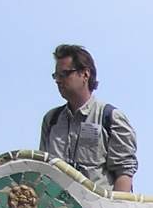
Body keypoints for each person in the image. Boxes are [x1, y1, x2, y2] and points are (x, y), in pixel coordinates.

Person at [39, 44, 137, 191]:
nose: (58, 81)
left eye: (64, 74)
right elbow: (43, 168)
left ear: (85, 74)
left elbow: (124, 172)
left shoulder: (110, 118)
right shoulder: (52, 119)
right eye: (56, 76)